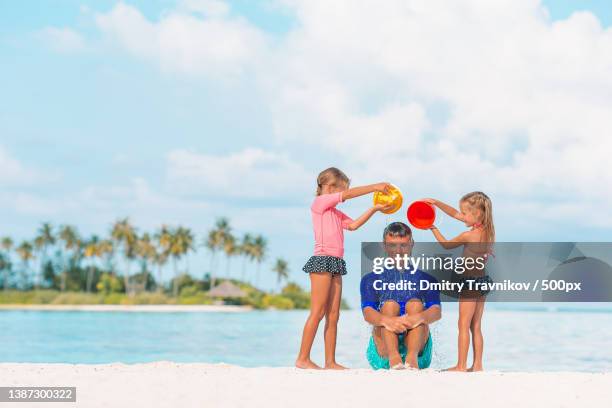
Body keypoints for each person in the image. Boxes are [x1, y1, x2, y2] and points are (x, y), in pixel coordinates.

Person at [295, 167, 393, 370]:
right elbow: (347, 195)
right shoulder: (320, 203)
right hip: (322, 260)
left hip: (336, 263)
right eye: (342, 191)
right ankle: (303, 358)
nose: (344, 196)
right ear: (330, 187)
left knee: (333, 315)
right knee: (318, 312)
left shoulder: (335, 213)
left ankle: (330, 362)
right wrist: (375, 186)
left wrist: (375, 208)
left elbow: (354, 225)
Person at [422, 192, 495, 372]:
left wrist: (433, 228)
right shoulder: (488, 231)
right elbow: (454, 213)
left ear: (477, 214)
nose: (461, 216)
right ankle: (477, 365)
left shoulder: (468, 235)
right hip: (483, 281)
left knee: (463, 324)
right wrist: (437, 202)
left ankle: (461, 365)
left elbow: (446, 245)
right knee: (476, 326)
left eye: (465, 213)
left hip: (470, 283)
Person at [360, 222, 442, 370]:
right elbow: (368, 313)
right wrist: (388, 321)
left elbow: (436, 311)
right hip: (383, 353)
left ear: (412, 244)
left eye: (403, 245)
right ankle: (394, 358)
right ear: (384, 246)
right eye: (392, 245)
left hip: (419, 354)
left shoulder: (427, 279)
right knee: (389, 305)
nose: (398, 251)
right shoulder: (371, 279)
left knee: (416, 304)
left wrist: (416, 318)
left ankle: (411, 358)